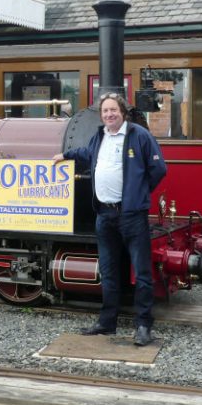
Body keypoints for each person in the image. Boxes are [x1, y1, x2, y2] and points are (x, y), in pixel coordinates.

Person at [53, 92, 166, 346]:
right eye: (105, 111)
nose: (109, 114)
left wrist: (139, 192)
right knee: (108, 271)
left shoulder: (139, 135)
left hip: (131, 215)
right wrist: (66, 155)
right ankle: (107, 322)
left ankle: (143, 325)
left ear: (122, 112)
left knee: (143, 272)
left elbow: (159, 169)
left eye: (113, 110)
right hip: (104, 214)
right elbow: (86, 152)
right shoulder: (100, 135)